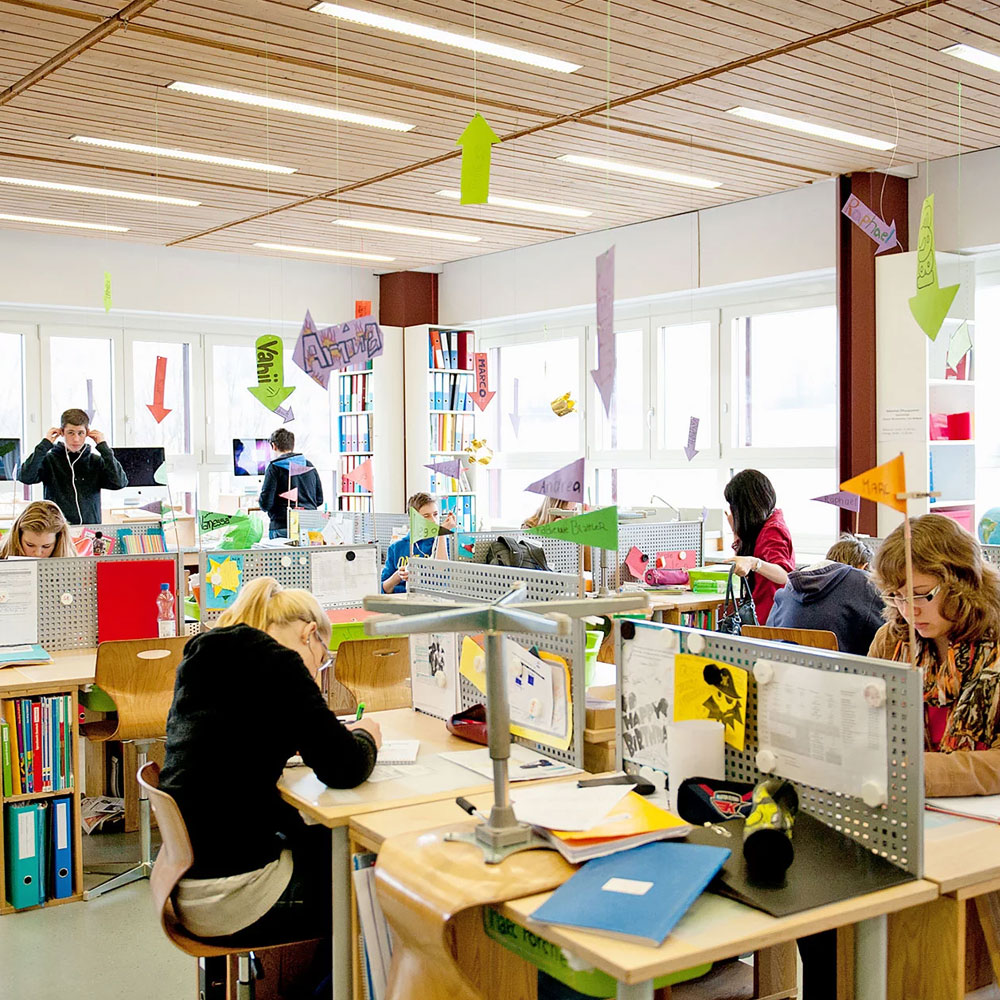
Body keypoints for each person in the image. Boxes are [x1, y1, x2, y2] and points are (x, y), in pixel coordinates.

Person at [159, 577, 381, 945]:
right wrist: (367, 736)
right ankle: (335, 978)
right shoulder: (280, 663)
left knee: (324, 843)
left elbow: (232, 740)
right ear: (309, 634)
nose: (316, 674)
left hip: (187, 886)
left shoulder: (202, 654)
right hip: (237, 896)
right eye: (321, 660)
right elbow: (345, 768)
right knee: (380, 884)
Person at [869, 513, 1000, 797]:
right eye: (897, 596)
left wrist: (914, 771)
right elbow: (868, 729)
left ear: (963, 584)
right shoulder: (891, 641)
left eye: (921, 594)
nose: (908, 610)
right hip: (904, 801)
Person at [767, 533, 884, 655]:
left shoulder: (787, 589)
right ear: (864, 567)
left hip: (783, 663)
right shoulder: (864, 581)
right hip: (837, 665)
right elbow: (885, 635)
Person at [17, 408, 127, 525]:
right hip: (56, 528)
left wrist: (103, 447)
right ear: (62, 432)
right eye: (70, 433)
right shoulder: (49, 460)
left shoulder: (96, 461)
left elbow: (119, 483)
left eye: (80, 433)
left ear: (87, 433)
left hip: (89, 529)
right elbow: (25, 477)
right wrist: (45, 445)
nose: (76, 439)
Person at [723, 470, 795, 625]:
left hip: (769, 618)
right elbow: (743, 562)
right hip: (761, 614)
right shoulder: (763, 526)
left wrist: (754, 563)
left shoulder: (773, 530)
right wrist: (736, 532)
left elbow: (785, 575)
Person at [381, 492, 456, 594]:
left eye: (435, 514)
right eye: (426, 516)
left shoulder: (445, 543)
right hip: (400, 600)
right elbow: (383, 588)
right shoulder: (396, 547)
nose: (434, 520)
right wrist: (398, 576)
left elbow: (442, 577)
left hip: (430, 600)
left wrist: (441, 533)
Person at [258, 428, 324, 539]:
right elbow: (319, 500)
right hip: (310, 527)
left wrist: (260, 500)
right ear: (292, 445)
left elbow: (265, 504)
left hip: (283, 526)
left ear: (274, 446)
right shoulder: (309, 465)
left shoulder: (274, 467)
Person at [0, 500, 77, 558]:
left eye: (46, 546)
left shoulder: (73, 563)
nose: (38, 553)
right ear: (18, 537)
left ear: (58, 541)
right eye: (30, 545)